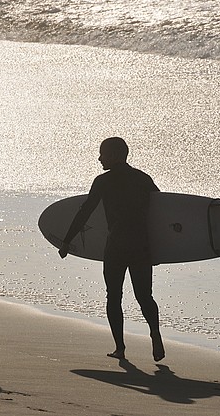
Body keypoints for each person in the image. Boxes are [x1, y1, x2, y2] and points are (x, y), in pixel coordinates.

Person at [59, 137, 165, 361]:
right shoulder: (143, 179)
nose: (99, 158)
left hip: (116, 245)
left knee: (113, 296)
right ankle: (155, 334)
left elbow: (85, 211)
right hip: (141, 245)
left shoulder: (103, 181)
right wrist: (162, 249)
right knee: (144, 296)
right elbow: (162, 212)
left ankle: (120, 348)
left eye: (103, 154)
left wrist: (67, 240)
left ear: (115, 155)